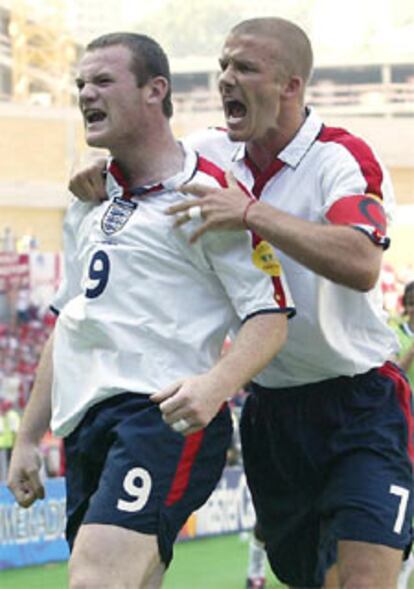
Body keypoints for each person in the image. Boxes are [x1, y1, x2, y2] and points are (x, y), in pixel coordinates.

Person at [67, 18, 414, 589]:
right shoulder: (206, 151)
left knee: (363, 577)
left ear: (290, 86)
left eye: (245, 68)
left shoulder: (341, 157)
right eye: (223, 66)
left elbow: (361, 263)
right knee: (305, 576)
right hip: (271, 411)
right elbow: (147, 167)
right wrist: (103, 173)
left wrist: (252, 212)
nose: (227, 78)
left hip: (360, 400)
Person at [7, 32, 293, 589]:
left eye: (103, 81)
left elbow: (270, 317)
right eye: (81, 84)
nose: (86, 93)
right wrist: (26, 439)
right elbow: (69, 324)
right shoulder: (87, 203)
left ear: (154, 91)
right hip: (87, 427)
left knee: (95, 578)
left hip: (162, 417)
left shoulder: (207, 196)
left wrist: (214, 387)